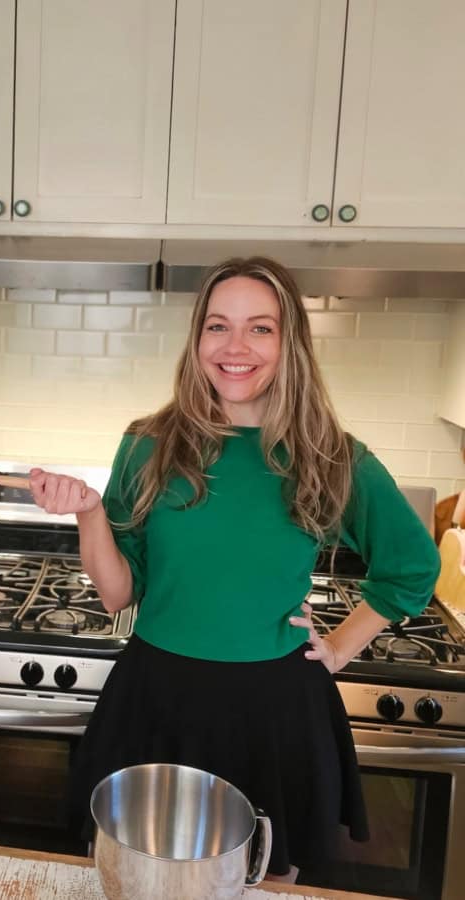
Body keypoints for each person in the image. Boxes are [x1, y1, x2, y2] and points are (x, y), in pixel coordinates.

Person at [29, 256, 440, 883]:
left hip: (273, 712)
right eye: (218, 326)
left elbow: (412, 565)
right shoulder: (149, 443)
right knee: (137, 881)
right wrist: (88, 513)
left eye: (261, 328)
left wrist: (338, 647)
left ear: (290, 342)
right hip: (155, 697)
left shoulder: (331, 457)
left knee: (265, 880)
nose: (236, 347)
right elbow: (118, 594)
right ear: (198, 340)